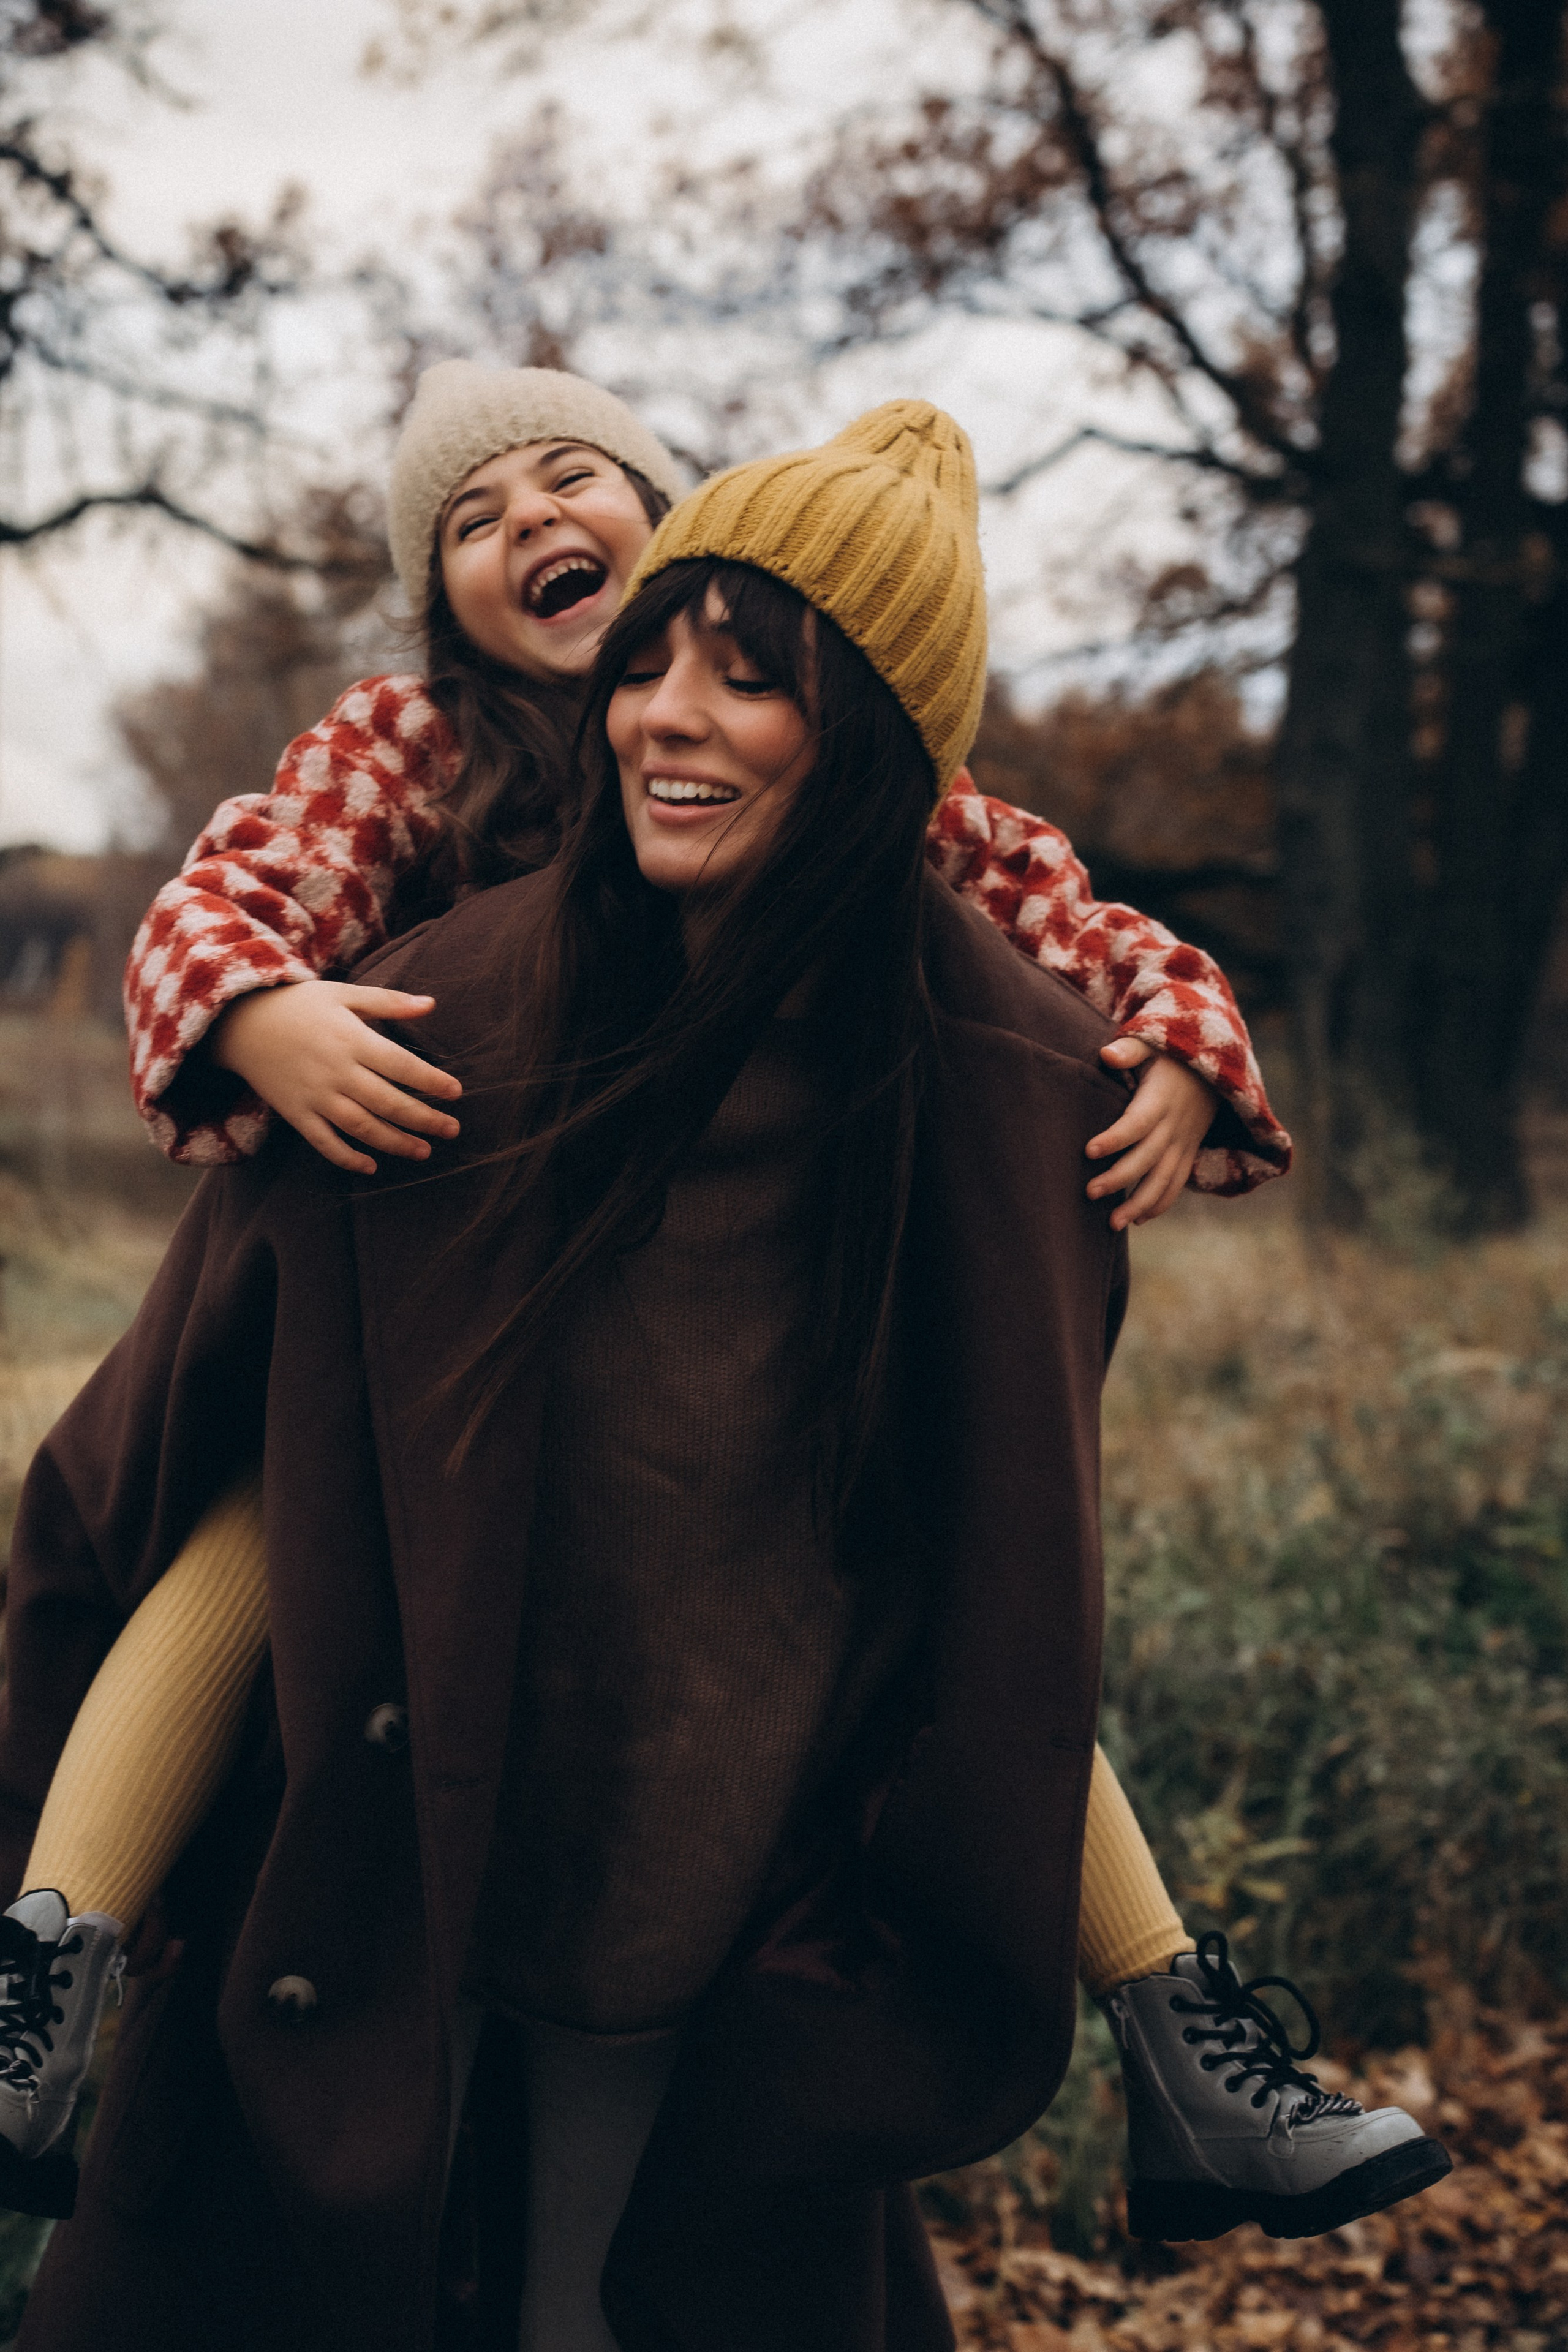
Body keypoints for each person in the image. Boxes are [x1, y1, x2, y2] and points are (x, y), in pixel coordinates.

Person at [0, 407, 1449, 2352]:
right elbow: (222, 902)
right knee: (271, 1512)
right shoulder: (413, 757)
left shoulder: (917, 859)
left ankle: (1175, 2018)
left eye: (571, 483)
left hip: (705, 1493)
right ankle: (51, 1957)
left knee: (982, 1609)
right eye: (472, 519)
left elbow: (1080, 927)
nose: (534, 532)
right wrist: (262, 1014)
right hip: (443, 1346)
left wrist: (1180, 1044)